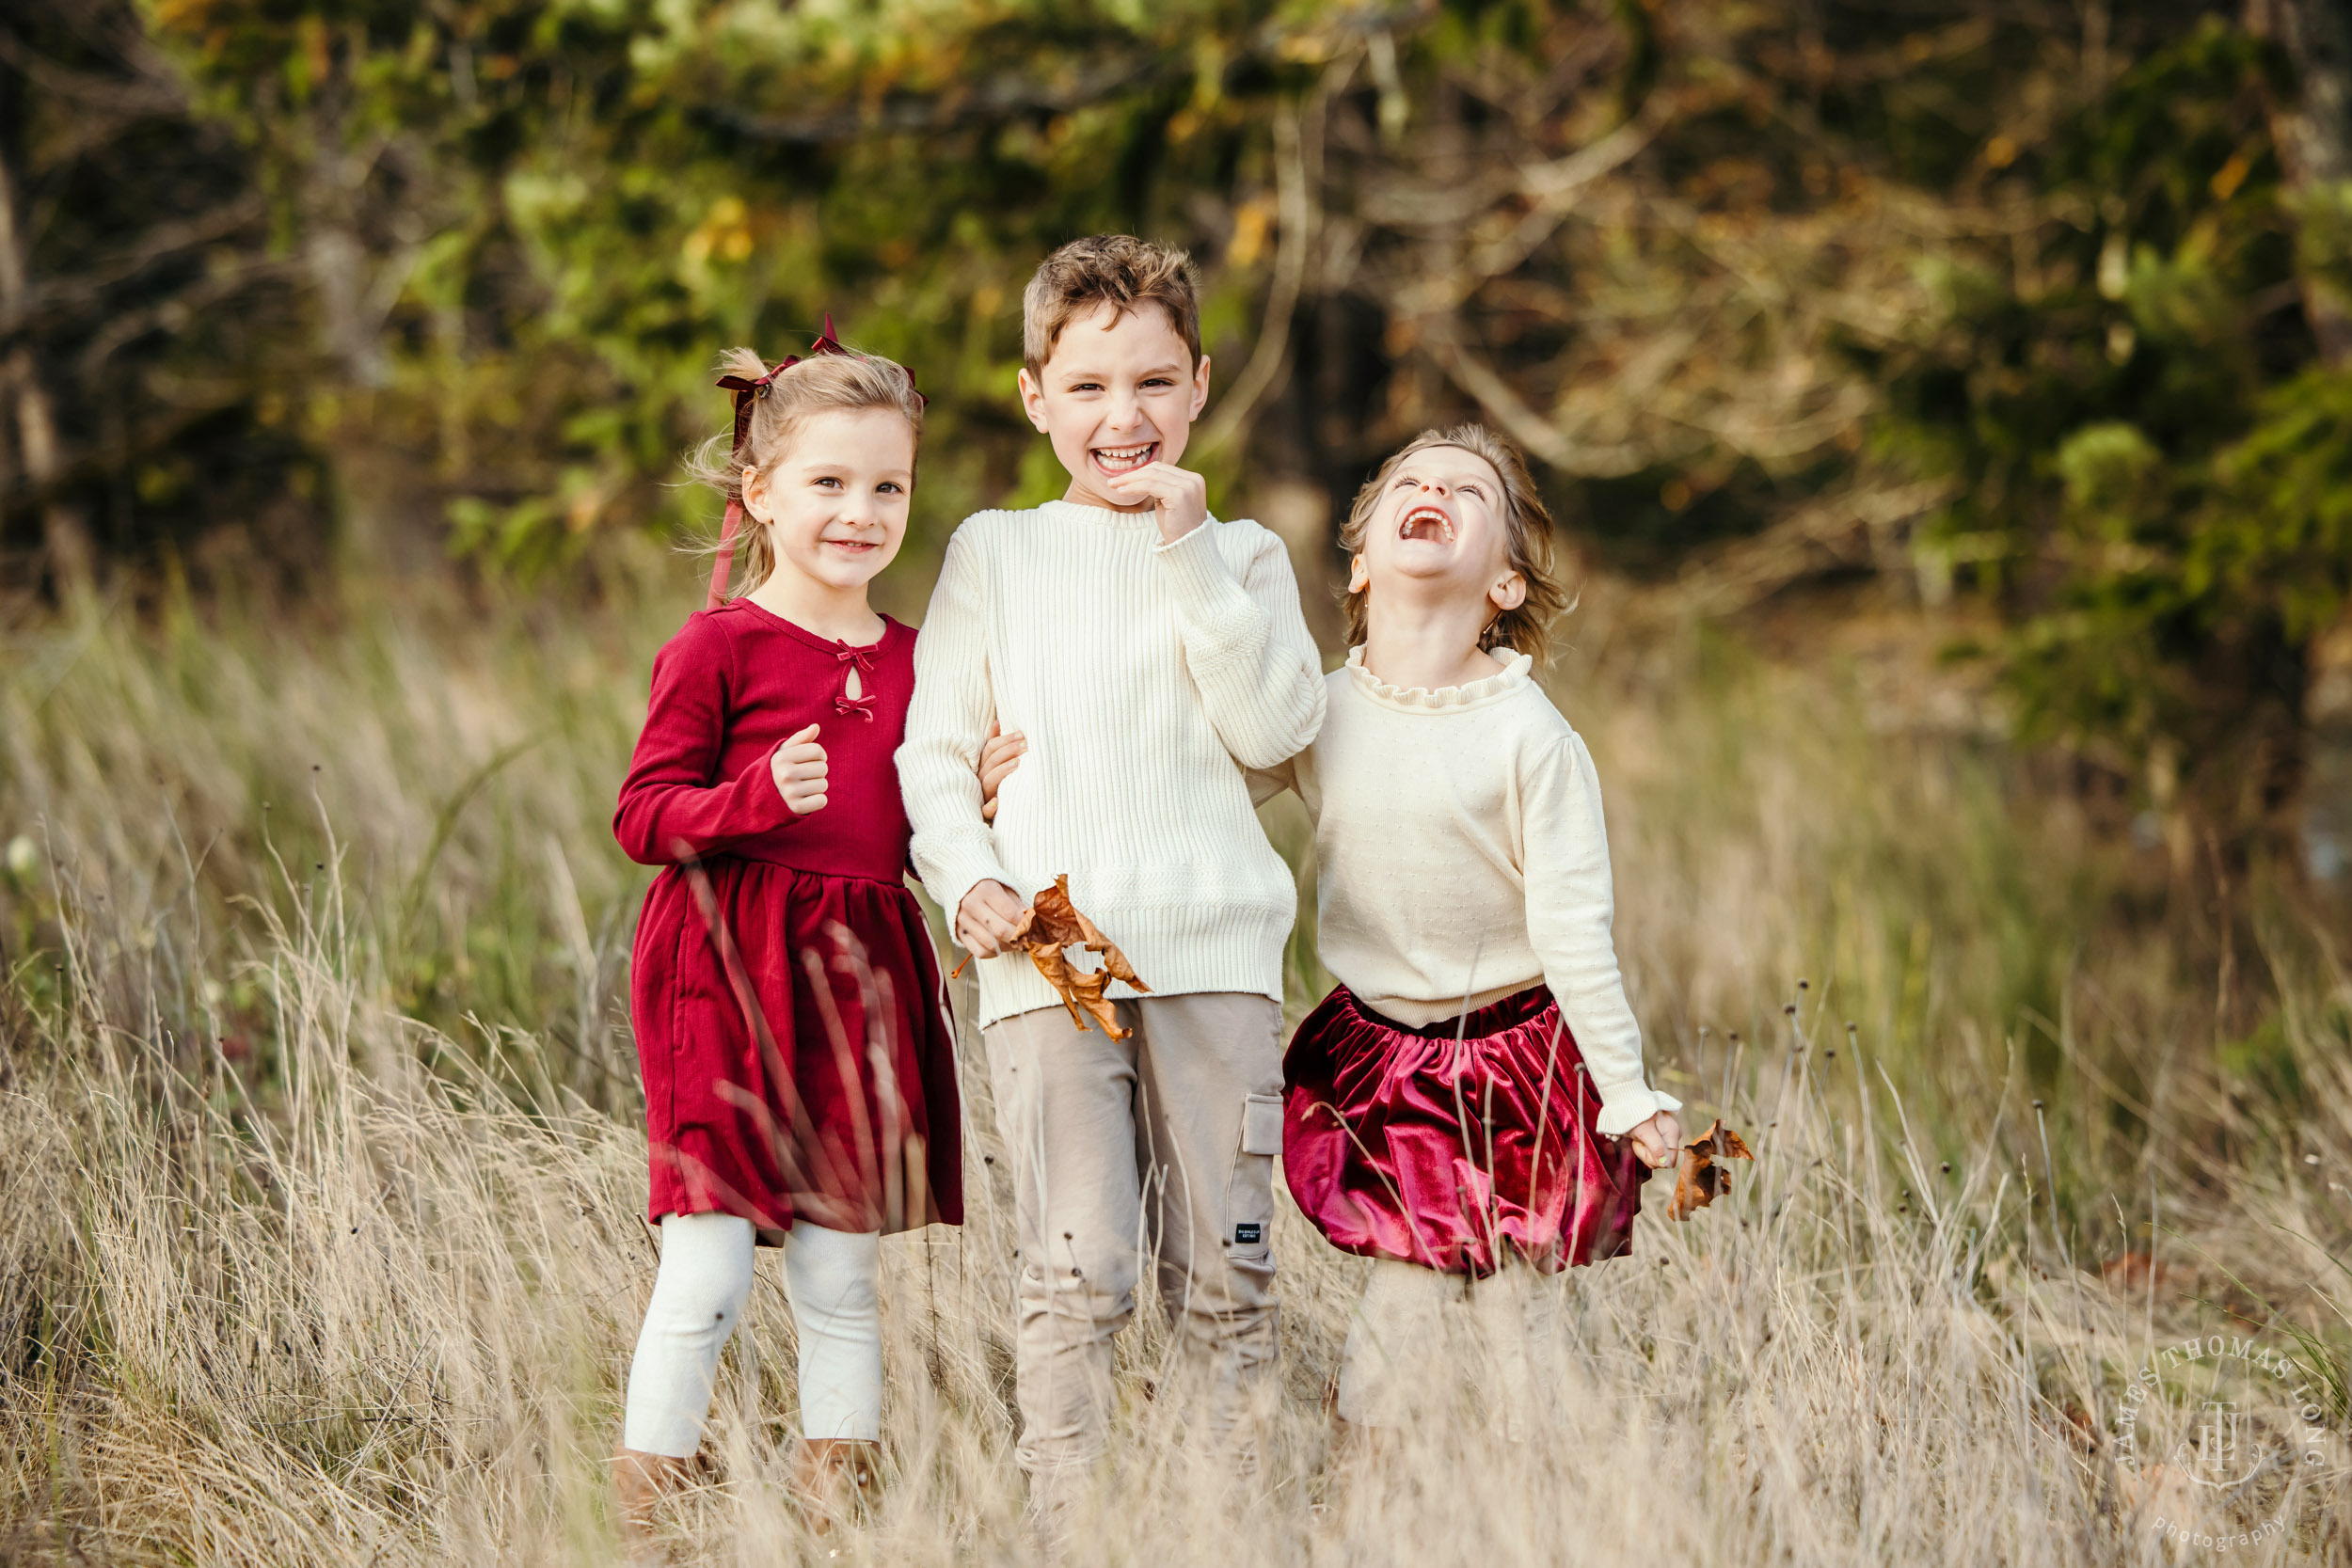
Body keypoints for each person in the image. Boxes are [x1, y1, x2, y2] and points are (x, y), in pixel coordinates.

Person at [980, 424, 1682, 1442]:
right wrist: (1017, 793)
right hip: (1390, 1060)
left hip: (1518, 1058)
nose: (1434, 488)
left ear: (1506, 586)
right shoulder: (1322, 710)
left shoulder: (1531, 736)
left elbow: (1576, 932)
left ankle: (1563, 1506)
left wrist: (1625, 1091)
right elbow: (1181, 793)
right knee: (1401, 1310)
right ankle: (1372, 1507)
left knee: (1517, 1316)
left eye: (1468, 491)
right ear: (1359, 562)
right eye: (1410, 480)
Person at [896, 235, 1326, 1511]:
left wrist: (1187, 549)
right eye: (1086, 388)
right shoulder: (998, 552)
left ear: (1199, 385)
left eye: (1151, 383)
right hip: (1057, 939)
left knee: (1225, 1265)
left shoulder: (1243, 558)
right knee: (1079, 1260)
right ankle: (1067, 1518)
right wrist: (966, 872)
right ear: (1036, 399)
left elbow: (1271, 730)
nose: (1121, 417)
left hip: (1209, 946)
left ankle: (1219, 1517)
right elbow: (935, 750)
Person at [610, 329, 962, 1538]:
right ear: (759, 492)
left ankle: (836, 1523)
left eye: (887, 485)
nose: (860, 511)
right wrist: (752, 797)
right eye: (828, 482)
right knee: (705, 1268)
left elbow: (924, 825)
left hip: (857, 974)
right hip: (724, 967)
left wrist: (988, 798)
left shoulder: (925, 660)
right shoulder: (716, 647)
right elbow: (642, 813)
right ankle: (637, 1522)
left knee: (836, 1271)